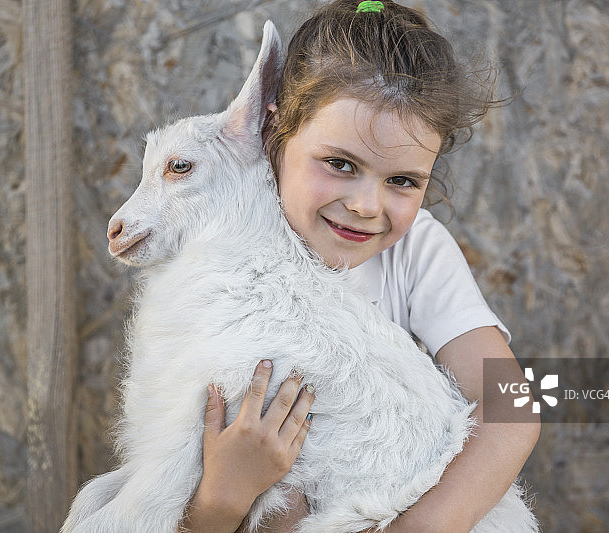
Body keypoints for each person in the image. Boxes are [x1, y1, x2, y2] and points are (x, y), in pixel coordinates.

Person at [181, 1, 541, 531]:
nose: (366, 206)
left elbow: (510, 409)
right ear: (272, 130)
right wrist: (221, 499)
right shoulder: (219, 257)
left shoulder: (416, 250)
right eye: (340, 164)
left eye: (402, 181)